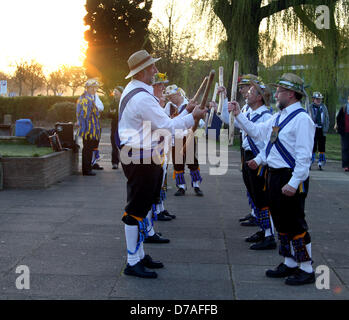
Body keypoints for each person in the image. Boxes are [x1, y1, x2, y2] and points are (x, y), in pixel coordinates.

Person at [118, 50, 206, 278]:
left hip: (142, 156)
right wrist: (193, 116)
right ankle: (132, 260)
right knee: (136, 211)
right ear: (142, 71)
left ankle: (139, 255)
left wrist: (186, 111)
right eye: (152, 68)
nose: (156, 71)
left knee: (142, 208)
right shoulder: (142, 97)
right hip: (142, 159)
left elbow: (160, 122)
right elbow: (166, 126)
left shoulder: (134, 92)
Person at [229, 73, 316, 286]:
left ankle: (306, 267)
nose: (275, 94)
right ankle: (289, 262)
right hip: (274, 175)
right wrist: (239, 115)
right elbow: (258, 133)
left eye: (279, 91)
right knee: (281, 222)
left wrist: (294, 183)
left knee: (295, 222)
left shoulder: (302, 120)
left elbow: (305, 157)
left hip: (290, 176)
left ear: (291, 94)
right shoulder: (278, 117)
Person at [164, 84, 205, 197]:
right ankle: (181, 186)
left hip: (188, 136)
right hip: (175, 138)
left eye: (171, 96)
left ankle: (196, 185)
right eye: (168, 97)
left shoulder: (189, 105)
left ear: (178, 94)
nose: (170, 99)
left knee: (192, 161)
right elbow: (165, 119)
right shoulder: (169, 106)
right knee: (178, 163)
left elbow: (200, 122)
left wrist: (195, 122)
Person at [151, 72, 176, 221]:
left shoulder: (158, 107)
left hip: (162, 150)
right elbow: (166, 126)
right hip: (154, 151)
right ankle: (156, 211)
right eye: (160, 84)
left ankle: (160, 208)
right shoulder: (152, 106)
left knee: (162, 180)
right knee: (156, 183)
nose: (163, 89)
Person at [76, 79, 102, 176]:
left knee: (88, 148)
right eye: (93, 87)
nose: (95, 89)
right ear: (88, 88)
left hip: (89, 128)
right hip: (89, 129)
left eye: (95, 87)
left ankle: (87, 168)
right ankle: (86, 170)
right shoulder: (86, 99)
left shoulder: (86, 98)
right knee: (87, 149)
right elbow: (85, 115)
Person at [308, 92, 329, 170]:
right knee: (312, 146)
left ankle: (321, 162)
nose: (318, 100)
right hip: (313, 129)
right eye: (317, 99)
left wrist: (326, 127)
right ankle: (310, 161)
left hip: (321, 129)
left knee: (322, 146)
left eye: (320, 99)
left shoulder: (323, 107)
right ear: (313, 99)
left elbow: (327, 118)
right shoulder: (310, 107)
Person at [110, 86, 124, 170]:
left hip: (123, 127)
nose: (114, 94)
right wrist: (113, 113)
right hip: (114, 127)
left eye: (116, 92)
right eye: (114, 92)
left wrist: (114, 113)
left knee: (123, 145)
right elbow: (109, 114)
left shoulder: (124, 102)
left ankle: (125, 162)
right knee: (114, 145)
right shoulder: (112, 103)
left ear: (121, 93)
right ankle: (114, 163)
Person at [335, 96, 349, 171]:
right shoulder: (343, 108)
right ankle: (345, 165)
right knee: (345, 148)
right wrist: (340, 128)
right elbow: (338, 118)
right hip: (345, 132)